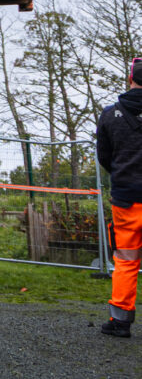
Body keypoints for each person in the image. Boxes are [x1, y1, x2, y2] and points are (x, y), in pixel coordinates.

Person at [96, 57, 142, 338]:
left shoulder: (110, 115)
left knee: (125, 260)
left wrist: (121, 173)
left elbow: (104, 156)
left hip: (126, 199)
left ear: (130, 78)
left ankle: (120, 321)